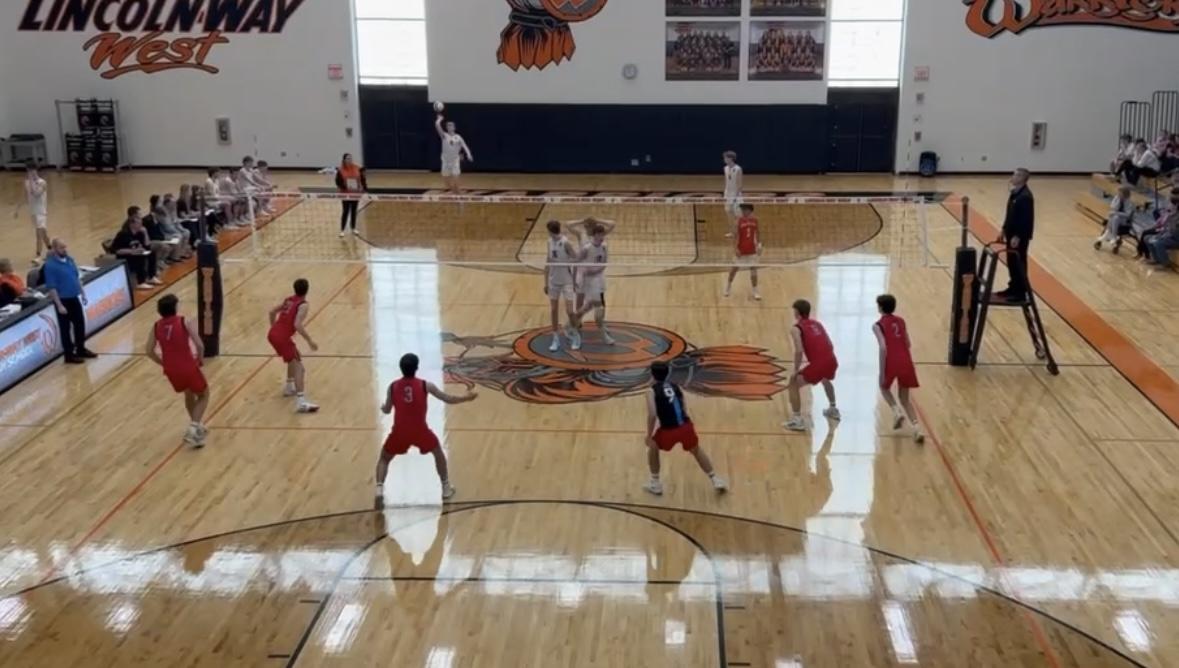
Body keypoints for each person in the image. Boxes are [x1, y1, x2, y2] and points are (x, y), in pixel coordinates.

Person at [374, 353, 477, 506]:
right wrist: (466, 398)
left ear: (401, 368)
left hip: (399, 432)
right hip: (420, 431)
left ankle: (379, 489)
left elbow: (387, 410)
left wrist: (383, 408)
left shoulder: (393, 386)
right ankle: (445, 488)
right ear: (416, 368)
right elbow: (448, 399)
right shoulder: (425, 386)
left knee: (384, 458)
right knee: (438, 453)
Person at [643, 361, 728, 496]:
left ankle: (655, 483)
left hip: (668, 430)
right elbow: (683, 405)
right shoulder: (675, 386)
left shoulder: (651, 391)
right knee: (696, 450)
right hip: (685, 426)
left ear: (651, 375)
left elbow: (652, 414)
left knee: (653, 446)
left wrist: (648, 435)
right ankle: (715, 479)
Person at [144, 294, 209, 448]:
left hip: (171, 369)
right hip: (187, 365)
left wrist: (163, 363)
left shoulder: (156, 326)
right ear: (175, 307)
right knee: (204, 395)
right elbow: (200, 345)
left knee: (188, 394)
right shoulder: (183, 321)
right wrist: (200, 360)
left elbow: (148, 351)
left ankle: (197, 429)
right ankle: (193, 428)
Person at [873, 294, 924, 443]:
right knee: (905, 399)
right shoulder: (901, 321)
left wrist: (882, 370)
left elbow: (883, 347)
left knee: (883, 387)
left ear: (880, 307)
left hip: (891, 361)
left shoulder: (877, 325)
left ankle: (896, 411)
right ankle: (917, 429)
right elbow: (908, 343)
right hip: (906, 360)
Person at [783, 299, 839, 431]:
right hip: (832, 359)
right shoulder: (817, 324)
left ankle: (797, 419)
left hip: (819, 364)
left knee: (793, 383)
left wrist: (796, 370)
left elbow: (799, 350)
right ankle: (833, 408)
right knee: (825, 379)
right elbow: (829, 343)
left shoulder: (796, 328)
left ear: (796, 312)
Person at [267, 278, 320, 413]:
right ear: (307, 290)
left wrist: (274, 328)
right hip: (282, 337)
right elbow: (297, 325)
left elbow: (272, 312)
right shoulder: (303, 305)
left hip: (273, 334)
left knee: (294, 356)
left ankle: (289, 387)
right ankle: (301, 402)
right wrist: (310, 341)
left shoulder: (289, 300)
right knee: (300, 368)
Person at [42, 239, 94, 365]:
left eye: (65, 247)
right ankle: (69, 355)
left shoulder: (70, 260)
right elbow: (52, 287)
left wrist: (82, 293)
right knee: (65, 329)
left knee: (80, 325)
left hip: (74, 297)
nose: (64, 249)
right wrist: (59, 305)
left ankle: (81, 348)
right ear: (54, 249)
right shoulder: (50, 266)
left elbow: (76, 277)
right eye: (61, 247)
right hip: (63, 300)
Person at [570, 217, 617, 345]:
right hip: (585, 279)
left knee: (597, 307)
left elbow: (604, 262)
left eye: (603, 235)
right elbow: (576, 262)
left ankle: (602, 333)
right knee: (586, 306)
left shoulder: (604, 246)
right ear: (594, 235)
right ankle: (574, 326)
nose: (602, 237)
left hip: (597, 280)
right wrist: (574, 279)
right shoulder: (586, 248)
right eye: (600, 235)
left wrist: (596, 270)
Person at [995, 168, 1034, 302]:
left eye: (1015, 175)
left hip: (1019, 237)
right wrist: (1003, 230)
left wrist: (1017, 236)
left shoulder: (1025, 197)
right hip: (1010, 234)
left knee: (1019, 263)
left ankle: (1020, 292)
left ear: (1022, 178)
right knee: (1011, 262)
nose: (1012, 177)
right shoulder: (1015, 194)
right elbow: (1010, 215)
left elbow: (1025, 219)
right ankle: (1013, 287)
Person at [543, 220, 582, 352]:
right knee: (554, 309)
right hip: (553, 281)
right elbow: (548, 261)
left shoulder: (565, 243)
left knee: (570, 311)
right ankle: (555, 338)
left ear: (550, 230)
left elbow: (576, 259)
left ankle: (575, 335)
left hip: (566, 281)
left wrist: (575, 279)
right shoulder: (549, 242)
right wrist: (545, 282)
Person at [112, 207, 163, 290]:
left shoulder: (140, 233)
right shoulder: (123, 234)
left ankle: (151, 277)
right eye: (139, 223)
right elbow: (116, 250)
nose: (141, 225)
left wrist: (145, 233)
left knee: (151, 253)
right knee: (139, 257)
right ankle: (141, 282)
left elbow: (147, 246)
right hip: (125, 257)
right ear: (132, 224)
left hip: (135, 254)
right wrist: (132, 251)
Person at [724, 203, 761, 300]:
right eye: (742, 209)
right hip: (741, 250)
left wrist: (759, 245)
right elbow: (735, 236)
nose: (742, 211)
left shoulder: (755, 220)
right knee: (734, 269)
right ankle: (728, 287)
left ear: (749, 210)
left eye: (744, 209)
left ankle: (755, 291)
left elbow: (758, 233)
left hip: (752, 250)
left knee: (753, 270)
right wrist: (735, 248)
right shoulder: (738, 221)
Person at [435, 114, 473, 194]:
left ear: (454, 127)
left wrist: (469, 154)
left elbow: (465, 146)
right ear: (446, 128)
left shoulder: (458, 137)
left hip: (455, 161)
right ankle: (455, 192)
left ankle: (458, 195)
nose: (449, 126)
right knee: (446, 182)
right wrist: (439, 119)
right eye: (448, 125)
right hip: (445, 161)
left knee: (456, 181)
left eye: (451, 125)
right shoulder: (444, 136)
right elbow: (437, 126)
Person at [1094, 185, 1135, 253]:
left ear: (1124, 194)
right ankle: (1113, 237)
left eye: (1120, 193)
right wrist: (1118, 202)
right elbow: (1113, 207)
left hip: (1124, 220)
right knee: (1113, 217)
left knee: (1115, 217)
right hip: (1114, 219)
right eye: (1118, 193)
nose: (1118, 194)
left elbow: (1127, 215)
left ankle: (1108, 234)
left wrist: (1116, 213)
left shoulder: (1129, 203)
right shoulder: (1117, 198)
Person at [335, 153, 366, 238]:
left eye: (350, 158)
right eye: (348, 158)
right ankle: (342, 230)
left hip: (355, 194)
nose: (349, 160)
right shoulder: (340, 170)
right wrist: (344, 187)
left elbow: (362, 179)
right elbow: (337, 182)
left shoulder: (357, 168)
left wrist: (364, 188)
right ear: (344, 160)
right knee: (345, 211)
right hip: (345, 194)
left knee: (353, 211)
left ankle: (353, 228)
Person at [25, 165, 51, 262]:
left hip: (41, 212)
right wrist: (17, 209)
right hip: (33, 212)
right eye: (29, 171)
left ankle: (38, 255)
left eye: (33, 171)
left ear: (36, 171)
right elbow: (26, 195)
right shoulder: (27, 182)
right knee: (43, 234)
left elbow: (36, 194)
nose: (31, 173)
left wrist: (32, 182)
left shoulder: (42, 183)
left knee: (38, 234)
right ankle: (51, 250)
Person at [723, 151, 743, 238]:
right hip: (728, 195)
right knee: (729, 214)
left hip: (736, 195)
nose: (724, 159)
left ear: (731, 158)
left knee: (738, 215)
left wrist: (736, 197)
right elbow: (726, 182)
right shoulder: (725, 168)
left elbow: (739, 184)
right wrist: (725, 194)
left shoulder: (738, 169)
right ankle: (732, 232)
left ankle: (740, 231)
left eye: (725, 158)